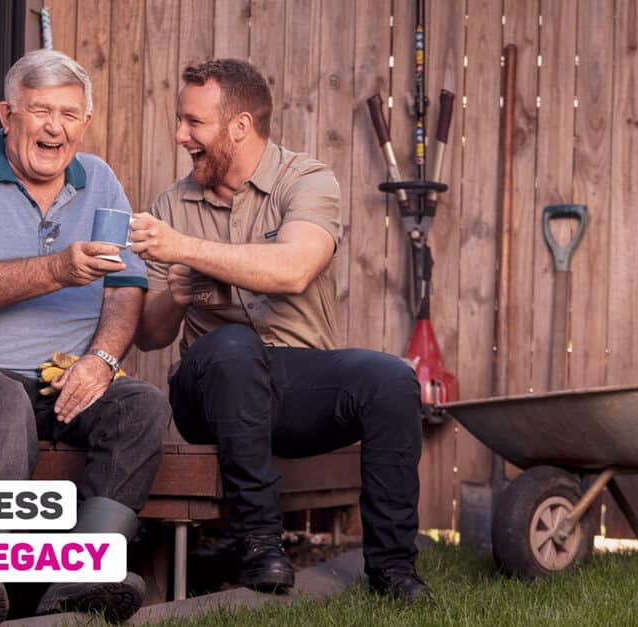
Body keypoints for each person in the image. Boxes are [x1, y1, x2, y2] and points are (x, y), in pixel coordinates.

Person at [131, 58, 432, 602]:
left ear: (239, 126)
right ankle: (260, 544)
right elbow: (150, 335)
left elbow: (293, 268)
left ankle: (393, 570)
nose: (180, 136)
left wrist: (184, 248)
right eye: (181, 121)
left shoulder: (307, 180)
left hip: (293, 382)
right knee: (232, 348)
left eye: (193, 123)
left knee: (391, 379)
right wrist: (174, 295)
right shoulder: (171, 204)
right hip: (209, 390)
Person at [0, 49, 170, 625]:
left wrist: (98, 359)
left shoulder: (99, 181)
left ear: (85, 124)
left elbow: (126, 287)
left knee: (140, 403)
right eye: (40, 110)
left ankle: (81, 580)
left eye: (70, 114)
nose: (55, 127)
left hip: (58, 378)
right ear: (6, 114)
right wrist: (58, 271)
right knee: (2, 399)